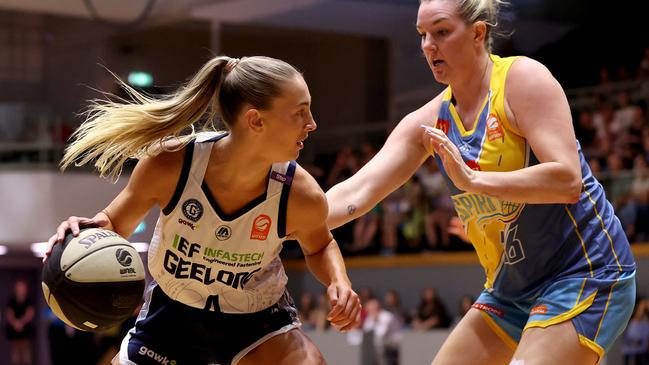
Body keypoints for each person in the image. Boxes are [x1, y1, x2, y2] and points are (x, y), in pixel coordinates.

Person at [325, 0, 636, 363]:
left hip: (584, 273)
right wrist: (279, 221)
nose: (429, 45)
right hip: (510, 288)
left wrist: (473, 179)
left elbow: (567, 180)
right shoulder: (427, 121)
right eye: (423, 35)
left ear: (478, 32)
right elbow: (357, 191)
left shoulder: (523, 79)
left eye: (441, 31)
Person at [45, 55, 361, 365]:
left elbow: (320, 245)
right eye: (300, 112)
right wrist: (85, 236)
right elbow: (114, 222)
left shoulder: (299, 193)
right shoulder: (172, 164)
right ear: (256, 121)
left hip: (256, 322)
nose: (312, 124)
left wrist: (339, 280)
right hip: (172, 318)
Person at [4, 279, 35, 365]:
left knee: (26, 351)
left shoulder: (29, 300)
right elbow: (9, 313)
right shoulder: (11, 300)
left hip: (26, 329)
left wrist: (21, 323)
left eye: (22, 287)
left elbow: (30, 313)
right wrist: (15, 323)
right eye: (19, 287)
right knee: (15, 351)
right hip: (14, 329)